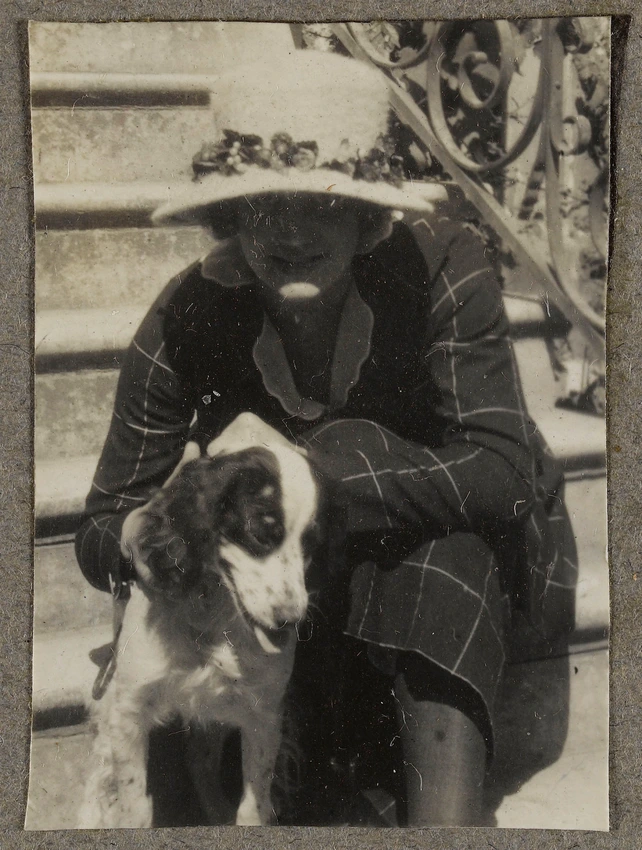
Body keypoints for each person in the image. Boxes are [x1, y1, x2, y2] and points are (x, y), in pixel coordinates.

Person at [75, 49, 576, 826]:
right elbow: (104, 519)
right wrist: (145, 532)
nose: (292, 231)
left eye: (323, 202)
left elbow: (503, 470)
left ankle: (447, 822)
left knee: (451, 557)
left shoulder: (444, 265)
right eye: (262, 204)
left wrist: (311, 472)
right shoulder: (191, 312)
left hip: (439, 558)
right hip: (289, 584)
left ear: (369, 213)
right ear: (229, 216)